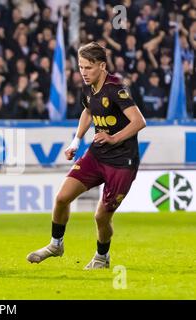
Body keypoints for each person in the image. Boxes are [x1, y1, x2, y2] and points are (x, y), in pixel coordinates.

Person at [27, 42, 146, 269]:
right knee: (62, 198)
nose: (83, 72)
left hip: (122, 162)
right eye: (81, 67)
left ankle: (102, 257)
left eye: (88, 67)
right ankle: (55, 244)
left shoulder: (116, 89)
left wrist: (113, 137)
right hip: (97, 155)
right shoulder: (87, 87)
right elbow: (88, 110)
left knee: (101, 216)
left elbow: (139, 121)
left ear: (102, 66)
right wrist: (76, 141)